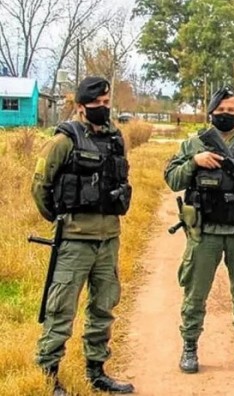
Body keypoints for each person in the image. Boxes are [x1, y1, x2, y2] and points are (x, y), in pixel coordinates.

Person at [30, 76, 135, 394]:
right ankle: (48, 375)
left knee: (103, 306)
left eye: (107, 103)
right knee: (61, 308)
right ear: (80, 107)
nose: (104, 108)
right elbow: (40, 187)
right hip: (74, 240)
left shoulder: (116, 138)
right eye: (97, 104)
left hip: (108, 238)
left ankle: (97, 371)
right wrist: (63, 219)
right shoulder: (64, 140)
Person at [164, 87, 234, 373]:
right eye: (221, 110)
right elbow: (172, 179)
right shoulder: (194, 144)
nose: (227, 115)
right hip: (205, 233)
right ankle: (189, 348)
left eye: (232, 110)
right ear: (211, 112)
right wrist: (194, 162)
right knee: (195, 292)